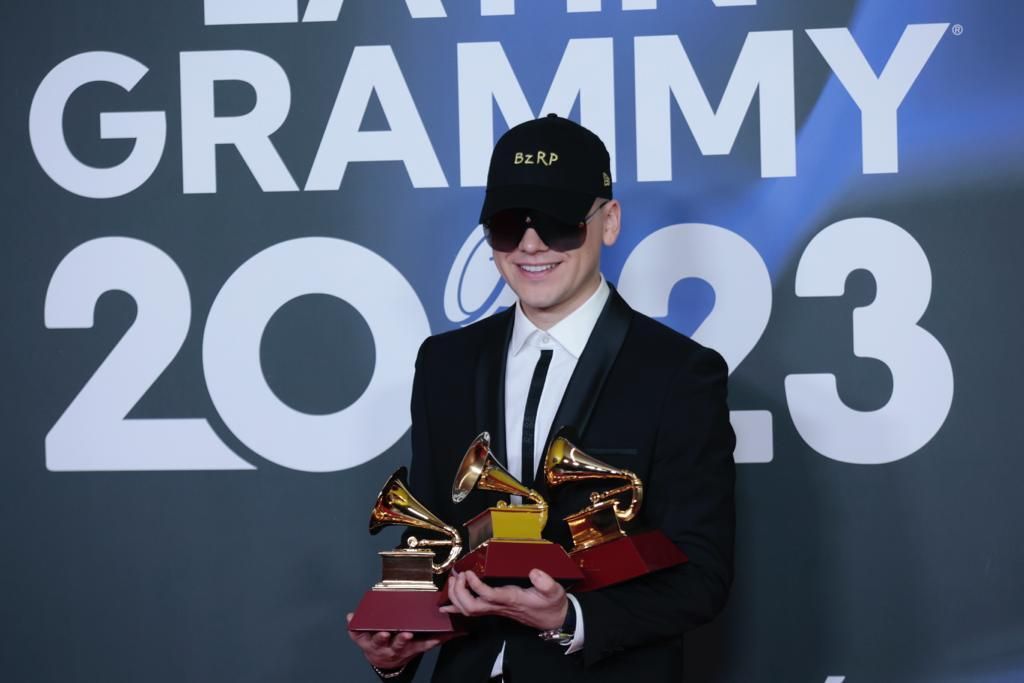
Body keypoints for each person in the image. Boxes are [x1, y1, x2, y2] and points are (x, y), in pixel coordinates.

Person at [348, 114, 736, 682]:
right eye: (509, 226)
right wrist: (397, 648)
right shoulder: (443, 364)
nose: (531, 245)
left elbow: (702, 574)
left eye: (558, 223)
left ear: (608, 222)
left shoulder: (679, 373)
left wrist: (571, 617)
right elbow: (432, 539)